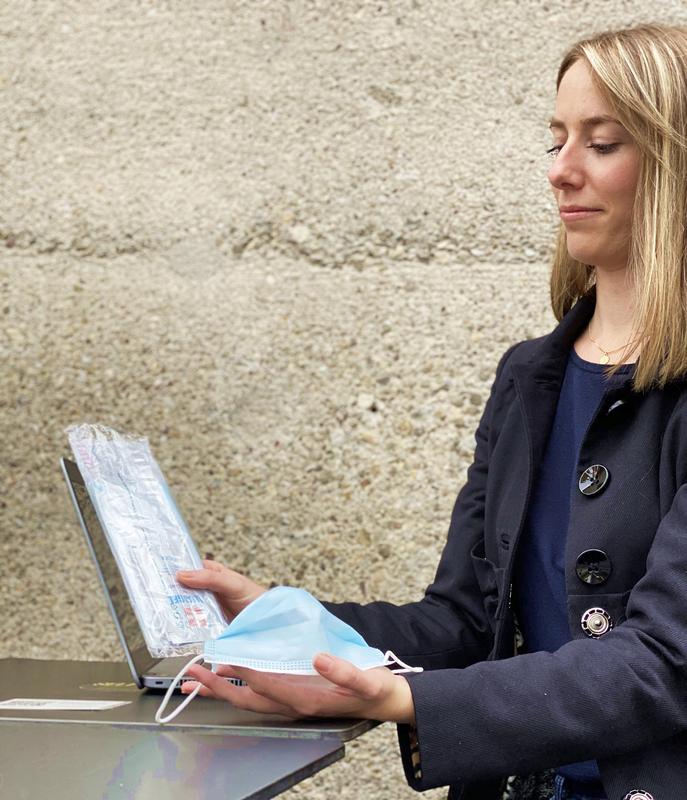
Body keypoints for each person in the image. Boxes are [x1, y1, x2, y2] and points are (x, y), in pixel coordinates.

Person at [175, 23, 687, 800]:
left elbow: (664, 660)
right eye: (554, 140)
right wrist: (292, 620)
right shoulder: (529, 378)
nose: (560, 171)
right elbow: (462, 623)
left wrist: (403, 700)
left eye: (603, 143)